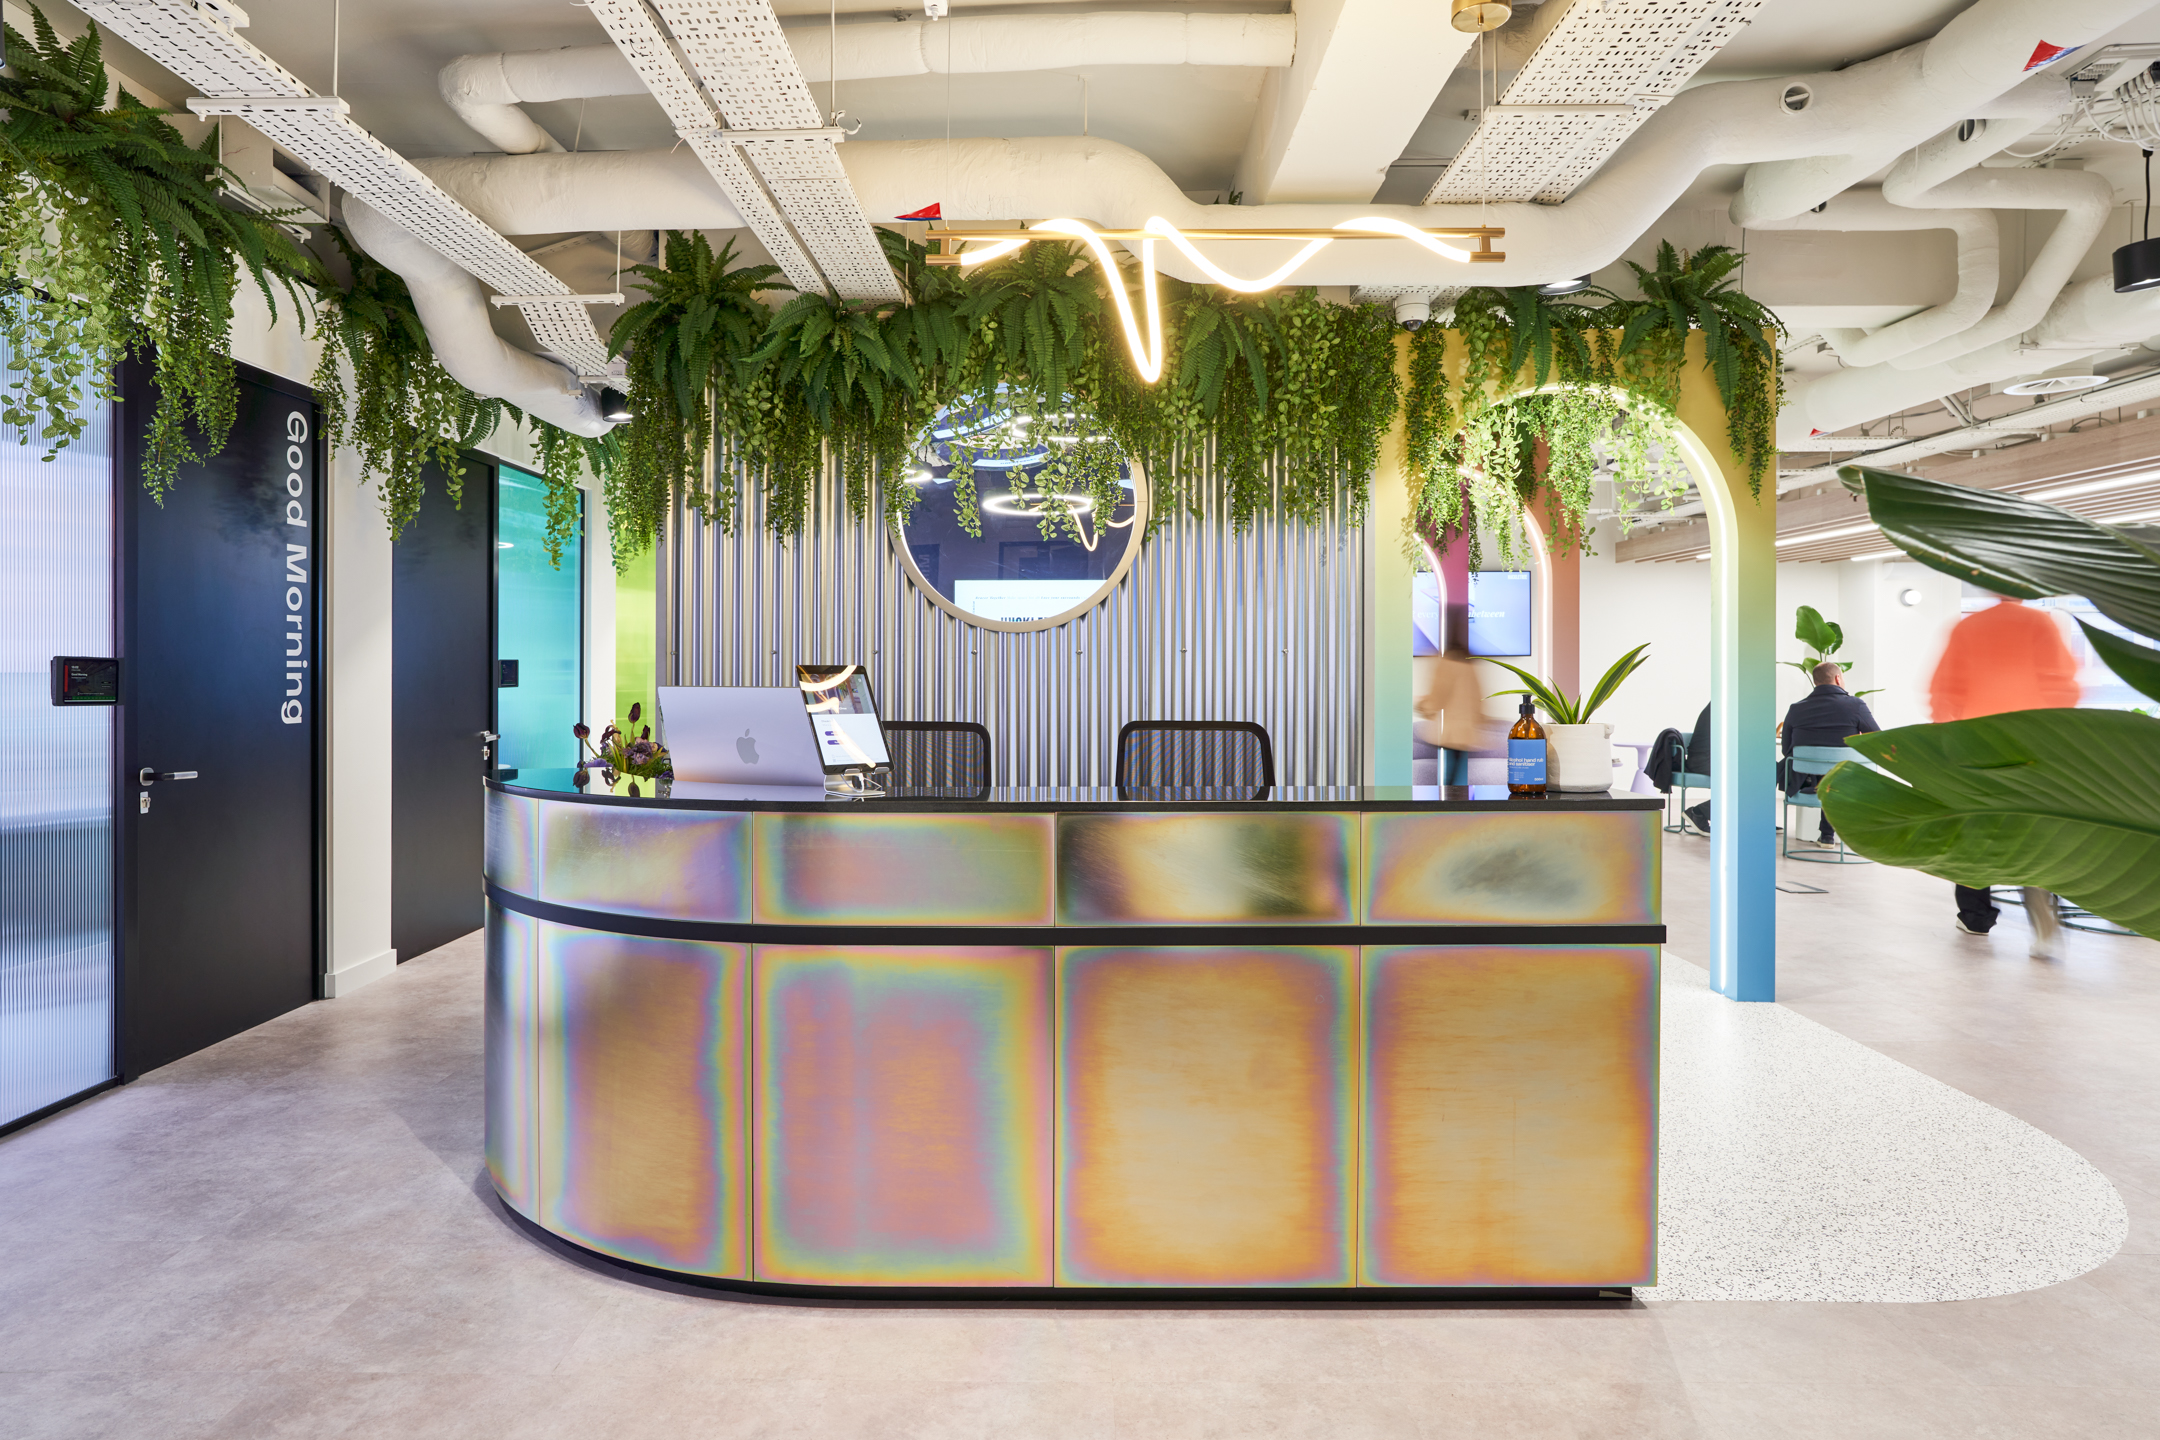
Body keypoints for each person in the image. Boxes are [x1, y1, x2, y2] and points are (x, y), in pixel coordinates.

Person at [1927, 594, 2082, 956]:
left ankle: (1975, 917)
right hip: (2030, 746)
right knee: (2033, 831)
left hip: (1977, 747)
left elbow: (1944, 692)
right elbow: (2062, 686)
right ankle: (2044, 925)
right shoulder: (2040, 623)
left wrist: (1944, 742)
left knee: (1975, 831)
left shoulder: (1969, 626)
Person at [1781, 661, 1881, 844]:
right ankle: (1829, 835)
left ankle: (1827, 836)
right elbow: (1877, 740)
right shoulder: (1855, 705)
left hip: (1804, 783)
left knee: (1823, 771)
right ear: (1838, 678)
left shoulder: (1796, 708)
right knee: (1836, 771)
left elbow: (1786, 748)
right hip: (1845, 785)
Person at [1415, 644, 1502, 786]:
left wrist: (1422, 707)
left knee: (1448, 776)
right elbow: (1479, 699)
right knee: (1457, 774)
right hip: (1465, 732)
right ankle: (1456, 802)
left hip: (1451, 732)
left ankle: (1445, 804)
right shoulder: (1471, 666)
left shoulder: (1446, 666)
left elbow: (1437, 699)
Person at [1682, 703, 1711, 834]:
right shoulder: (1724, 702)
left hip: (1716, 758)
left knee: (1769, 769)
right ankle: (1698, 813)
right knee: (1744, 778)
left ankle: (1760, 820)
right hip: (1703, 760)